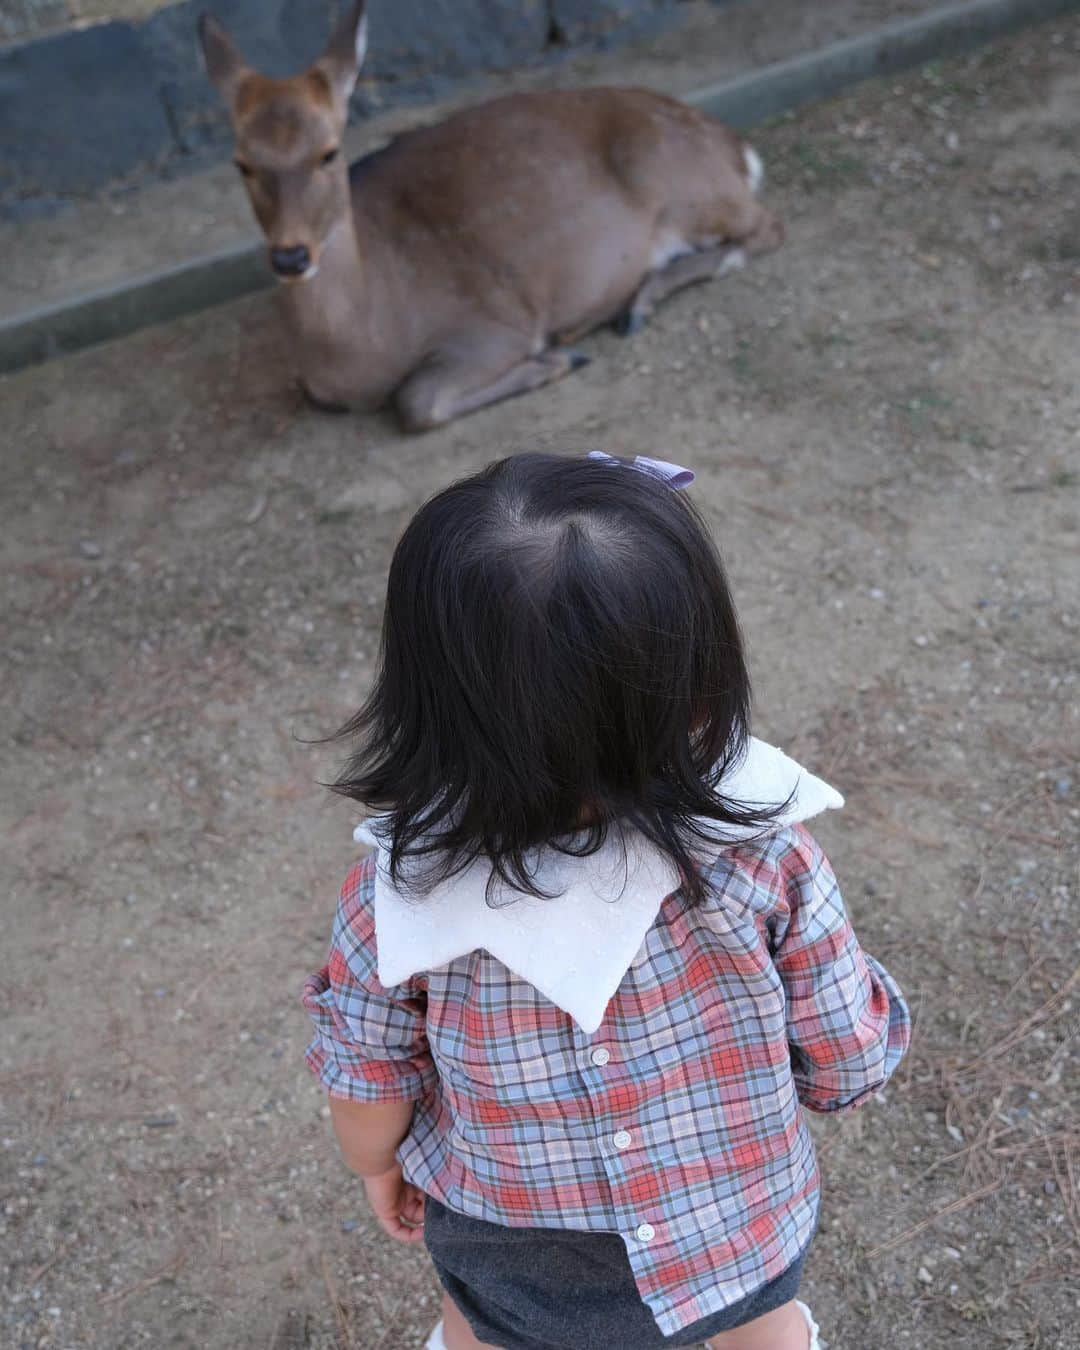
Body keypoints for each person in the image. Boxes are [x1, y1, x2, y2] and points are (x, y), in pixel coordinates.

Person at [302, 452, 911, 1350]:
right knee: (761, 1325)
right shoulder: (762, 849)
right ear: (700, 684)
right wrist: (836, 1070)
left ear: (428, 699)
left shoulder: (399, 892)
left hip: (512, 1232)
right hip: (737, 1210)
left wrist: (376, 1165)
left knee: (481, 1332)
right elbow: (843, 1050)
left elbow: (367, 1069)